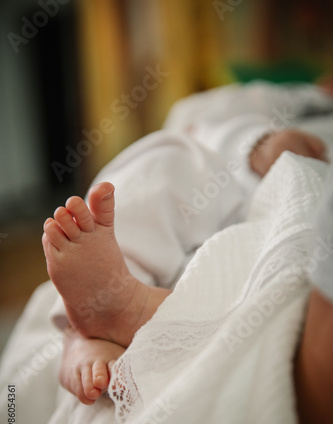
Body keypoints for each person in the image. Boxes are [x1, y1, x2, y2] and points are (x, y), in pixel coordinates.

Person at [42, 127, 328, 405]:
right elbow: (201, 118)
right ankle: (89, 322)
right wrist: (260, 143)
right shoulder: (300, 102)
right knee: (170, 165)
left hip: (279, 236)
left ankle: (133, 309)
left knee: (268, 276)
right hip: (239, 186)